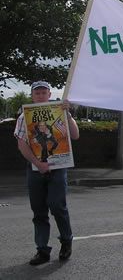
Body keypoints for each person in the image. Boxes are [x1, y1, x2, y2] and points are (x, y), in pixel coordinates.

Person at [14, 81, 80, 265]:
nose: (41, 95)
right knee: (39, 210)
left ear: (50, 94)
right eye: (37, 93)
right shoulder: (24, 117)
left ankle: (66, 241)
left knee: (57, 205)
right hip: (36, 168)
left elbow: (75, 135)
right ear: (32, 96)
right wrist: (37, 163)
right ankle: (42, 250)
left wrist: (67, 113)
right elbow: (22, 144)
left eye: (44, 92)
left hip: (58, 167)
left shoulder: (60, 111)